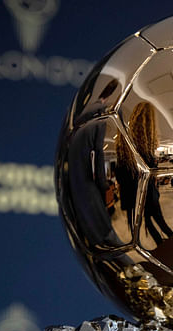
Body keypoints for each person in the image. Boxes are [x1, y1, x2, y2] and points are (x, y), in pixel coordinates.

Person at [66, 80, 121, 247]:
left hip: (74, 182)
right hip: (88, 184)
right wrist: (103, 184)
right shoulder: (101, 115)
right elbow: (98, 151)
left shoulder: (80, 116)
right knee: (106, 233)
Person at [116, 101, 173, 246]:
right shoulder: (147, 149)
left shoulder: (125, 145)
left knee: (144, 225)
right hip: (148, 195)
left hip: (134, 197)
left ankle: (163, 246)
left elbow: (121, 175)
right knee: (160, 223)